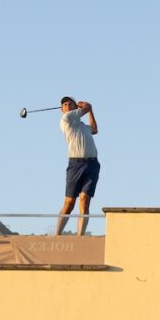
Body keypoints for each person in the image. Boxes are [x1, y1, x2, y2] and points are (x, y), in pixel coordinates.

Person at [56, 96, 99, 236]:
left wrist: (90, 111)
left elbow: (94, 129)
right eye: (65, 105)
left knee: (84, 201)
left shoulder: (81, 126)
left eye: (70, 104)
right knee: (69, 203)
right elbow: (87, 107)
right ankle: (57, 235)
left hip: (92, 164)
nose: (67, 106)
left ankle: (80, 236)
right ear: (62, 110)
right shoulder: (66, 119)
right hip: (75, 164)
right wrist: (87, 106)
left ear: (75, 107)